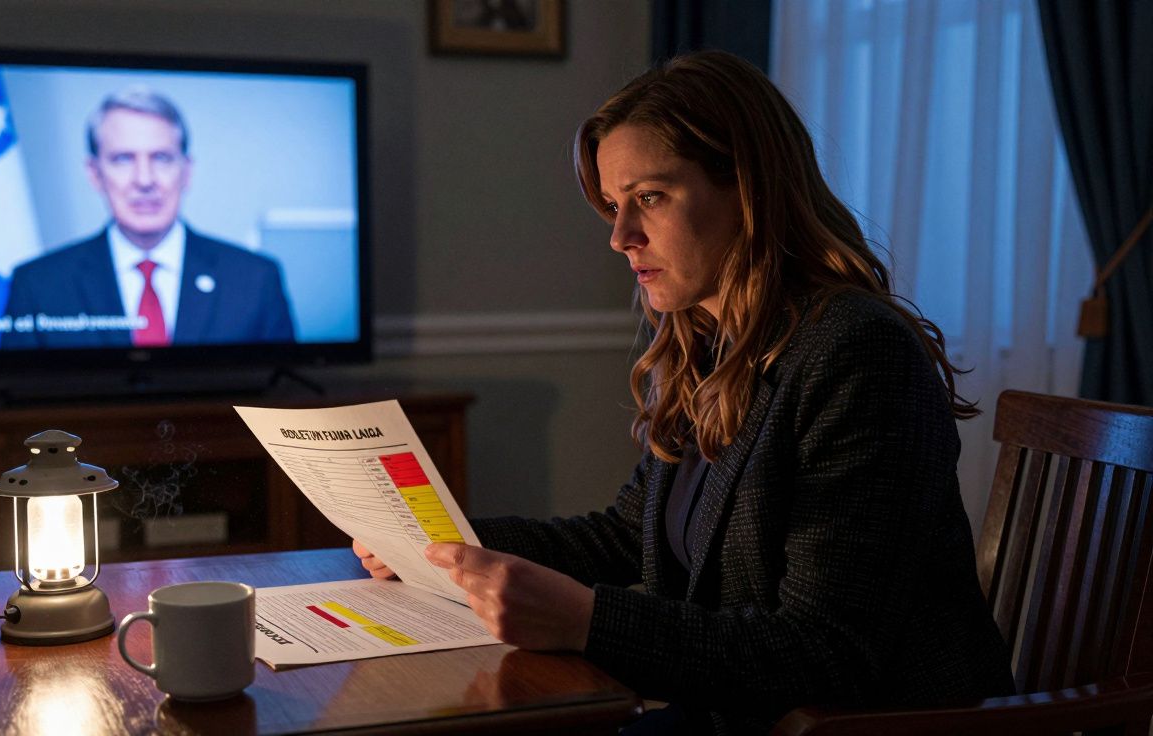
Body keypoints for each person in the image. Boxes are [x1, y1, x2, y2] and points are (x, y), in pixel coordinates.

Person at [353, 51, 1015, 733]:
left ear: (748, 190)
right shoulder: (710, 342)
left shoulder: (856, 353)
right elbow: (624, 535)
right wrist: (447, 550)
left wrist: (588, 621)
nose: (620, 237)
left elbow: (827, 652)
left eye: (651, 198)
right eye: (614, 206)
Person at [1, 86, 294, 349]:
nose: (144, 180)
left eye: (161, 158)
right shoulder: (38, 285)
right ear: (94, 174)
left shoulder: (255, 280)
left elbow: (279, 399)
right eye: (123, 159)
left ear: (186, 171)